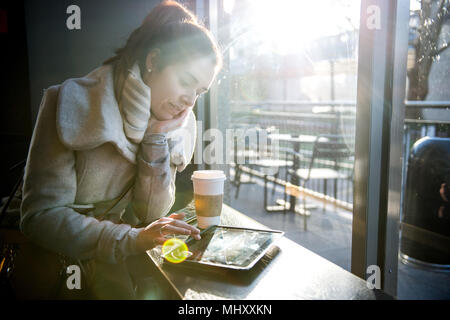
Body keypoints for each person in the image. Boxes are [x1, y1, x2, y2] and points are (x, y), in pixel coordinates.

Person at [19, 0, 222, 299]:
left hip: (128, 262)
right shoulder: (69, 102)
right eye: (186, 82)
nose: (190, 101)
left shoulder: (175, 127)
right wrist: (130, 239)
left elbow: (150, 212)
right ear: (152, 61)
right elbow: (40, 218)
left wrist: (155, 140)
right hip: (66, 269)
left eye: (199, 91)